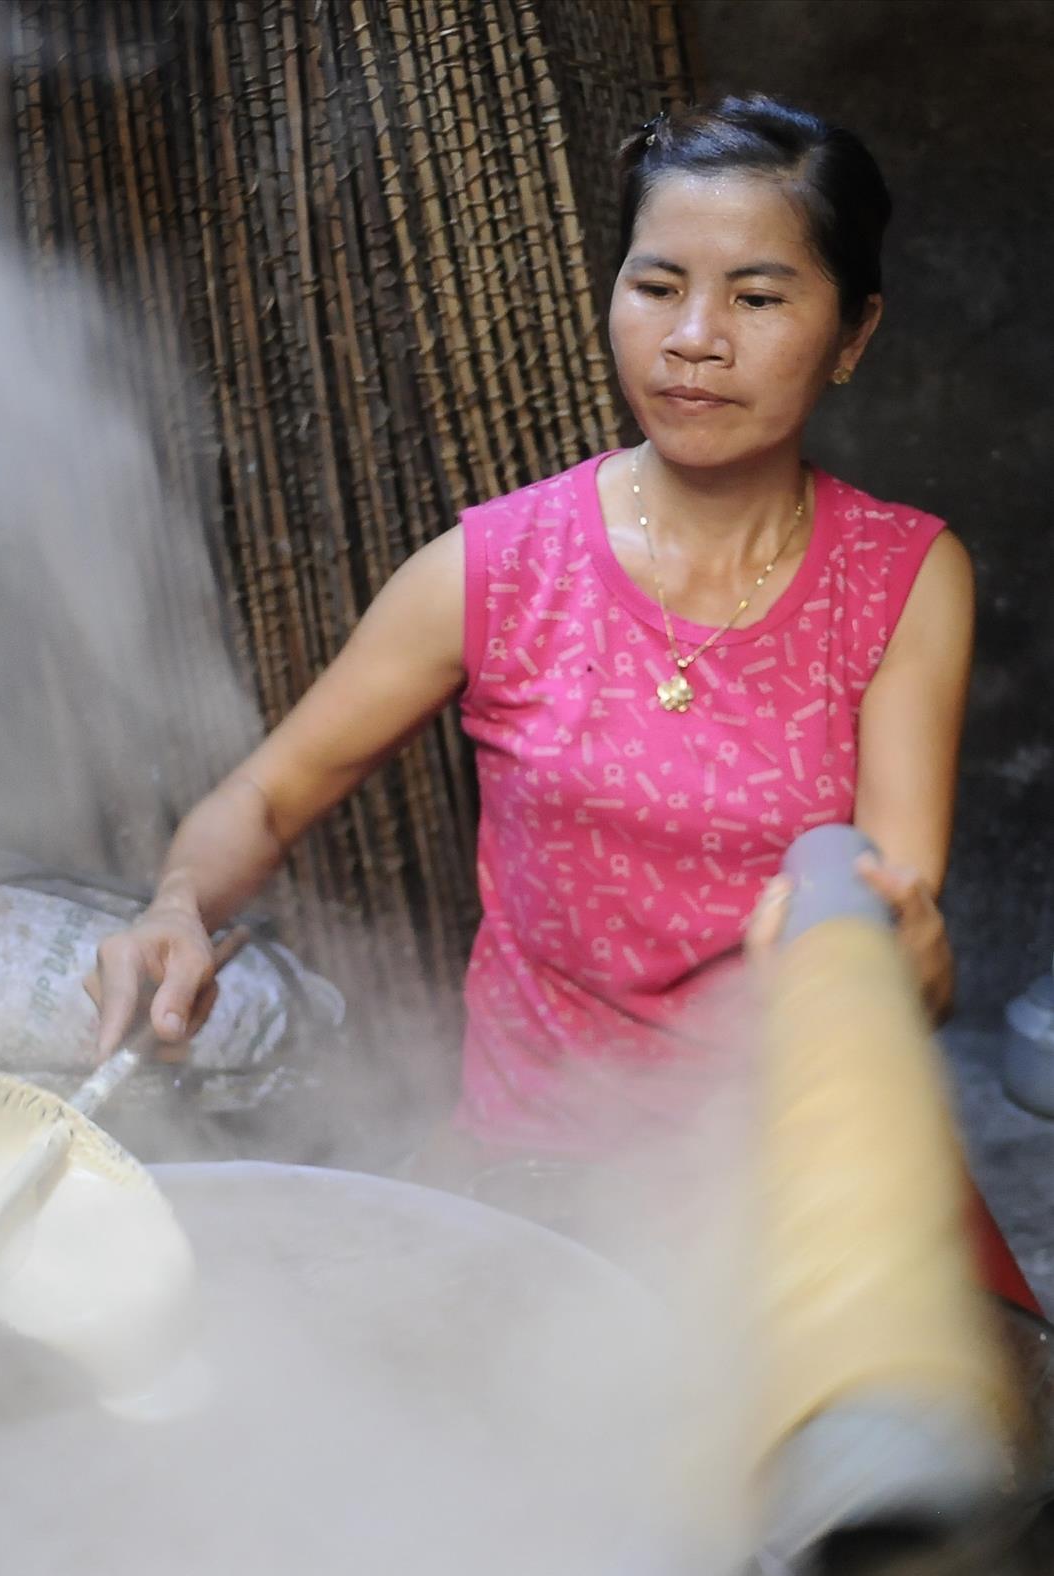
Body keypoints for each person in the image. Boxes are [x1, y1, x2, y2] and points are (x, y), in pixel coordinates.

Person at [89, 93, 1036, 1308]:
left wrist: (906, 964)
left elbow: (895, 918)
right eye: (656, 286)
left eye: (756, 298)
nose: (692, 338)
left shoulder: (904, 579)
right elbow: (267, 798)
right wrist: (174, 907)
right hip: (530, 1170)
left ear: (852, 332)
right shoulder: (495, 568)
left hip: (789, 1167)